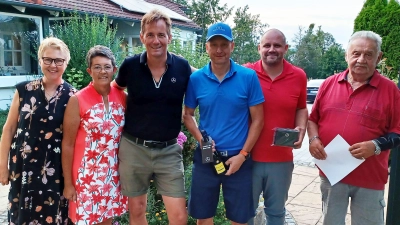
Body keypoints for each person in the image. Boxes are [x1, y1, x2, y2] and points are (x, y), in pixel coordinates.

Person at [308, 30, 400, 225]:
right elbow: (312, 119)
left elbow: (398, 131)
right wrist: (314, 139)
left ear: (379, 57)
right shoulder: (329, 84)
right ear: (346, 55)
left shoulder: (390, 90)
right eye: (356, 53)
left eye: (368, 54)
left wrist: (375, 146)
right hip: (332, 173)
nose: (361, 59)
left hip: (370, 177)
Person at [112, 9, 192, 225]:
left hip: (168, 151)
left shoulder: (182, 67)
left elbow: (207, 83)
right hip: (134, 148)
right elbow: (114, 89)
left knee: (179, 216)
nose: (156, 40)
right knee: (137, 211)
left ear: (169, 37)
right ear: (142, 37)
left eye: (161, 35)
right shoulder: (130, 66)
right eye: (150, 35)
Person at [183, 22, 265, 225]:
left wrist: (243, 155)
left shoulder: (248, 77)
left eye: (224, 44)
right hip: (206, 156)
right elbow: (188, 114)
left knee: (239, 218)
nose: (219, 49)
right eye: (214, 44)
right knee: (203, 216)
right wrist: (203, 140)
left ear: (232, 46)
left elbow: (258, 120)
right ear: (207, 47)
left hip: (239, 157)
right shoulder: (196, 79)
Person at [0, 37, 76, 224]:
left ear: (66, 63)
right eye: (48, 59)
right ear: (40, 60)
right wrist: (2, 166)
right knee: (22, 217)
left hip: (55, 170)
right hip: (23, 168)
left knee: (53, 216)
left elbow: (72, 141)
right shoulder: (24, 90)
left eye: (59, 60)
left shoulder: (73, 96)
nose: (53, 65)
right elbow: (9, 129)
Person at [244, 29, 308, 225]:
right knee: (245, 213)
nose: (272, 49)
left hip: (281, 160)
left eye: (277, 45)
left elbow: (301, 108)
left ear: (286, 48)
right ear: (259, 48)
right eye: (267, 45)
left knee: (277, 213)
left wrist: (301, 129)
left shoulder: (298, 76)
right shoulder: (245, 73)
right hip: (248, 157)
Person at [62, 45, 128, 225]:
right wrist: (68, 184)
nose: (102, 71)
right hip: (86, 176)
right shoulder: (78, 99)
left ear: (114, 70)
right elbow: (67, 144)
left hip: (113, 174)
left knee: (107, 221)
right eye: (97, 67)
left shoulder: (123, 97)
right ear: (89, 71)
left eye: (107, 66)